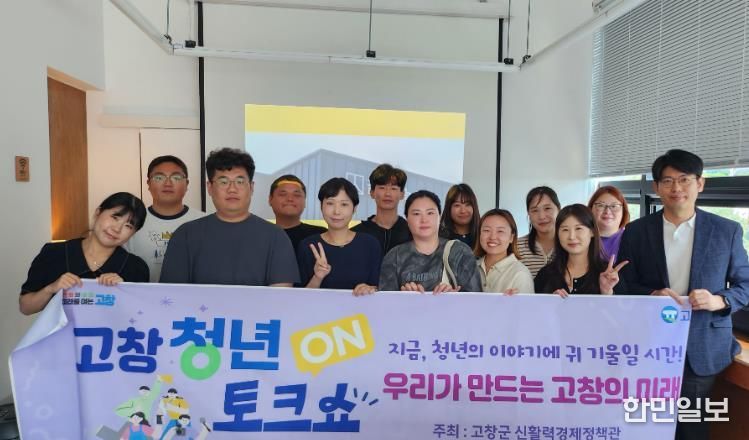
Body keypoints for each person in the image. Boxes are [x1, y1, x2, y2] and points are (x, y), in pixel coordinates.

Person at [616, 149, 749, 440]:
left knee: (691, 425)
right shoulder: (636, 231)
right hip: (649, 343)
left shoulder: (726, 230)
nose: (676, 188)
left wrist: (719, 300)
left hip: (701, 343)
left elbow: (745, 284)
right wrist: (652, 293)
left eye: (684, 179)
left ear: (700, 183)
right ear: (656, 187)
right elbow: (623, 285)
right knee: (646, 422)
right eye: (667, 181)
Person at [160, 148, 299, 286]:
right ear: (209, 188)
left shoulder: (276, 237)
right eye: (223, 182)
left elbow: (281, 294)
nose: (232, 189)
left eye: (240, 182)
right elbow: (172, 294)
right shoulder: (185, 234)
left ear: (251, 187)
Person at [20, 192, 149, 315]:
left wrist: (123, 290)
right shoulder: (53, 253)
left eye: (128, 226)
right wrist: (51, 288)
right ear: (98, 213)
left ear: (133, 233)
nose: (116, 229)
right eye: (115, 218)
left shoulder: (136, 267)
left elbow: (141, 315)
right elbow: (25, 307)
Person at [379, 190, 482, 293]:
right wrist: (403, 297)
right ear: (407, 220)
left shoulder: (460, 252)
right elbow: (385, 300)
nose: (424, 220)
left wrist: (452, 297)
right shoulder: (395, 256)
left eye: (430, 213)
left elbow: (476, 299)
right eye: (416, 214)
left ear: (439, 217)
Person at [297, 178, 382, 295]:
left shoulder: (370, 245)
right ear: (321, 206)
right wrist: (317, 277)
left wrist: (369, 289)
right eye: (330, 203)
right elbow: (299, 298)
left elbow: (379, 289)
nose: (337, 211)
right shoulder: (308, 246)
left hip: (360, 307)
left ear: (354, 208)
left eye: (344, 204)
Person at [126, 156, 204, 282]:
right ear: (148, 184)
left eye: (176, 178)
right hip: (142, 294)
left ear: (186, 184)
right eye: (159, 178)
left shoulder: (204, 221)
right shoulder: (131, 222)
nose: (168, 183)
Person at [534, 204, 627, 296]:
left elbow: (623, 305)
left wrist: (606, 292)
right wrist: (550, 301)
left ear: (592, 231)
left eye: (578, 228)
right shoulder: (545, 274)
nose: (571, 236)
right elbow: (534, 305)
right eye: (565, 230)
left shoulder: (610, 276)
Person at [352, 164, 412, 254]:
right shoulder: (356, 233)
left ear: (402, 194)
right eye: (382, 188)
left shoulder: (412, 233)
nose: (388, 193)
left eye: (393, 188)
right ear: (372, 193)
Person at [475, 209, 534, 294]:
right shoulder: (470, 268)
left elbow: (525, 303)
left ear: (511, 237)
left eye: (500, 231)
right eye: (487, 230)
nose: (493, 237)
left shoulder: (520, 274)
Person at [268, 174, 326, 251]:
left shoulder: (321, 235)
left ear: (304, 202)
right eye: (283, 194)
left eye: (297, 195)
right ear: (270, 199)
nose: (290, 199)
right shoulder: (260, 235)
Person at [517, 186, 561, 277]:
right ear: (528, 214)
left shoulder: (570, 245)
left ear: (559, 209)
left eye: (547, 208)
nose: (541, 216)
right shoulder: (517, 247)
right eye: (535, 210)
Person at [587, 185, 629, 261]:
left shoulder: (632, 239)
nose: (607, 211)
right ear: (590, 209)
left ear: (623, 211)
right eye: (601, 205)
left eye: (614, 206)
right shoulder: (580, 238)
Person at [439, 183, 480, 249]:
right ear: (449, 208)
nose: (463, 211)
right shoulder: (439, 238)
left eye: (467, 205)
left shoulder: (482, 235)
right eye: (457, 205)